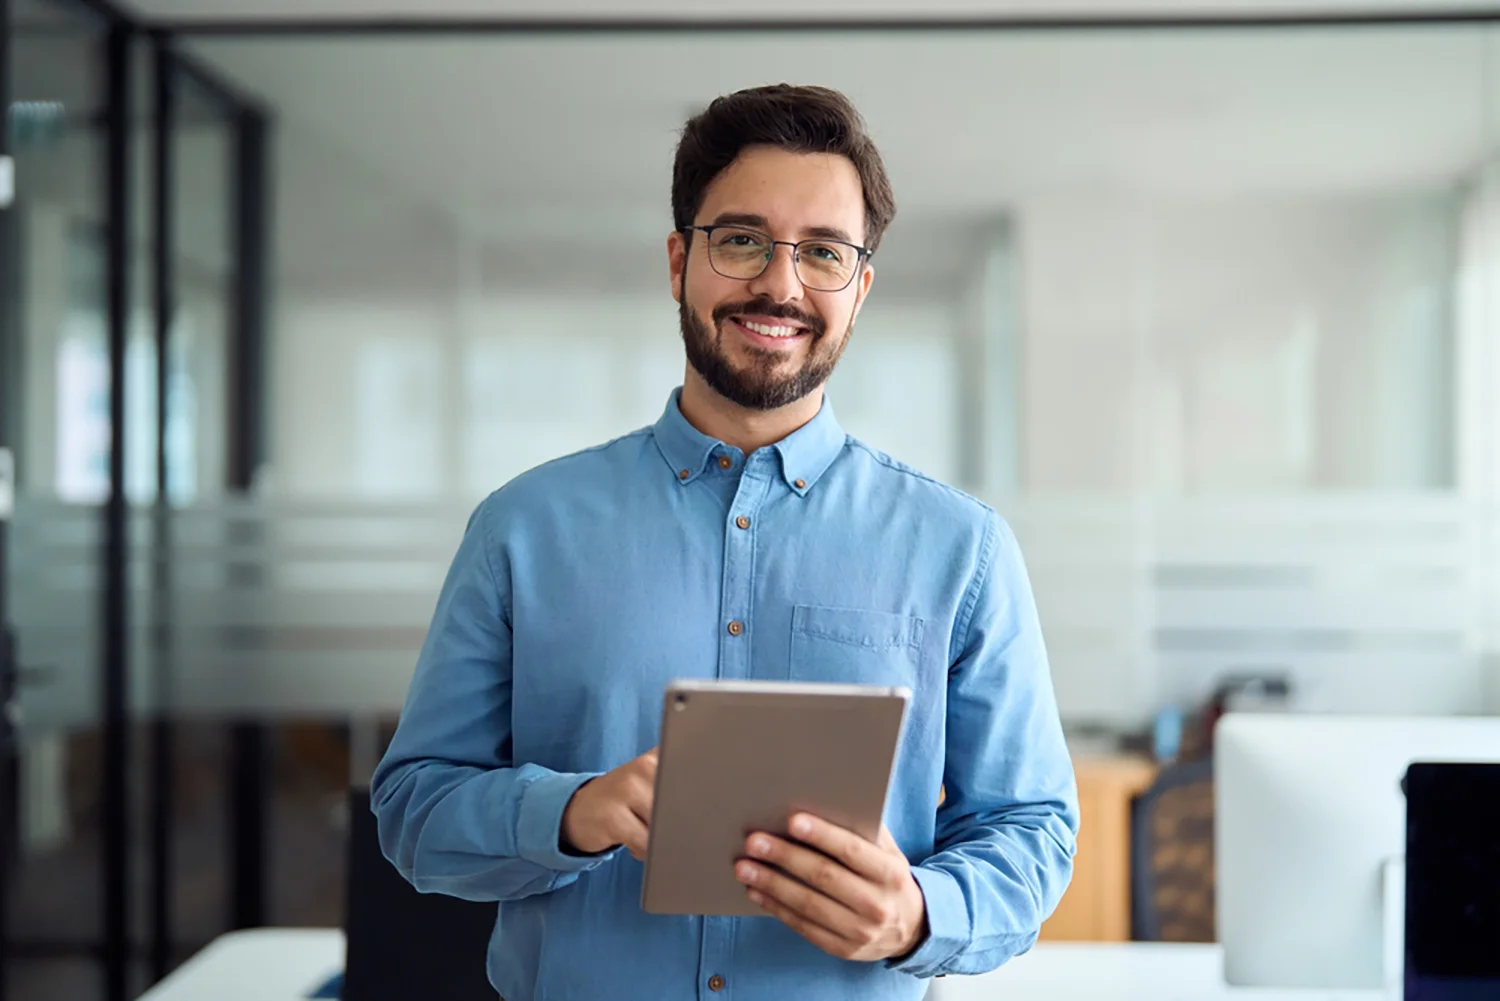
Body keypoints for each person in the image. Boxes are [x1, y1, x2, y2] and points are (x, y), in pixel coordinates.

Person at [371, 83, 1079, 1001]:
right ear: (679, 261)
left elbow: (1032, 829)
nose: (780, 285)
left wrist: (919, 913)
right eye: (742, 240)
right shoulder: (523, 528)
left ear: (858, 289)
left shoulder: (963, 550)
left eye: (823, 253)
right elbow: (413, 810)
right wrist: (572, 811)